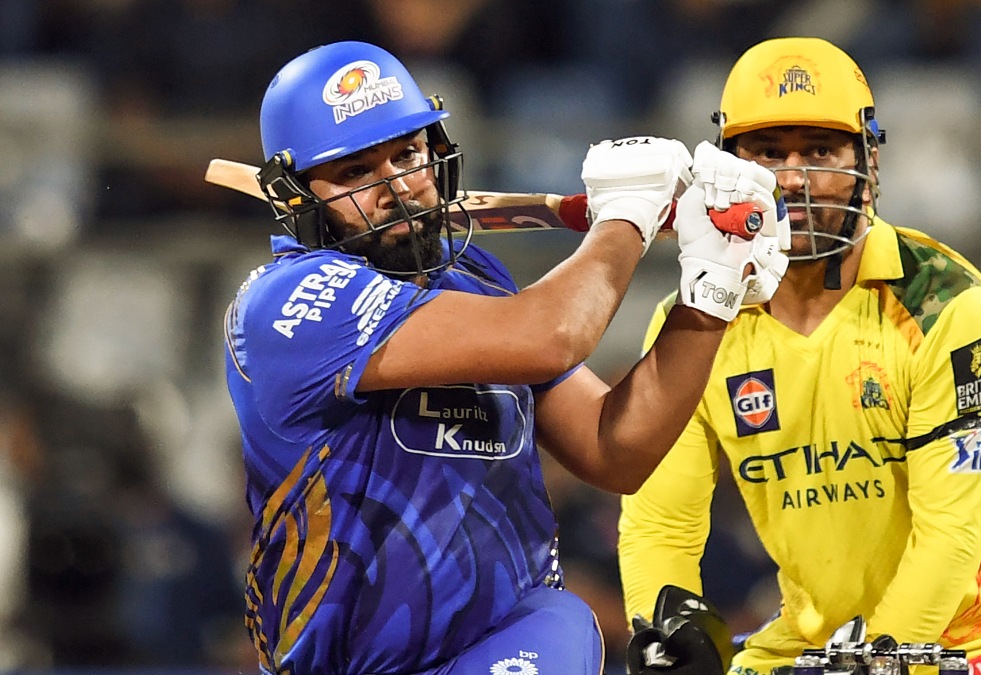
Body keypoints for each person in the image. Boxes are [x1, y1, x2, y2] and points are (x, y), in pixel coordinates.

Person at [222, 40, 785, 675]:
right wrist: (628, 215)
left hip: (500, 642)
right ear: (295, 196)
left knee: (561, 618)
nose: (398, 188)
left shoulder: (475, 278)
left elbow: (614, 450)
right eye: (355, 173)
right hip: (344, 664)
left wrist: (709, 295)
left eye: (407, 155)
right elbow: (553, 335)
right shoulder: (289, 303)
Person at [617, 37, 981, 675]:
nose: (792, 178)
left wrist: (874, 658)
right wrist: (666, 635)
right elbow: (661, 523)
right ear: (728, 167)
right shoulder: (695, 322)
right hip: (820, 644)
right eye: (768, 152)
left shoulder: (948, 308)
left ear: (868, 162)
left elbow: (950, 535)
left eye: (820, 151)